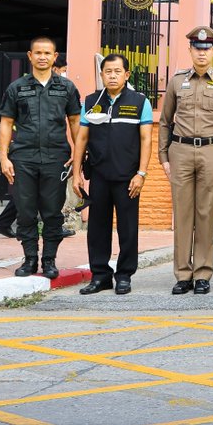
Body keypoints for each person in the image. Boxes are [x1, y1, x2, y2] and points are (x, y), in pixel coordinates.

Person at [158, 26, 213, 295]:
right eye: (197, 48)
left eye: (206, 48)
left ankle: (203, 273)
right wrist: (163, 157)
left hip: (211, 151)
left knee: (206, 213)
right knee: (182, 214)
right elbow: (165, 121)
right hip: (180, 151)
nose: (201, 53)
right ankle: (183, 274)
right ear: (190, 50)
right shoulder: (176, 81)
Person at [0, 37, 81, 279]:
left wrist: (77, 154)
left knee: (53, 212)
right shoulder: (16, 88)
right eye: (38, 53)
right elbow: (6, 122)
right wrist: (3, 156)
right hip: (24, 158)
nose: (42, 57)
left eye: (47, 53)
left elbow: (75, 121)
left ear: (55, 57)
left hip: (56, 158)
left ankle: (49, 259)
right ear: (30, 56)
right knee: (25, 212)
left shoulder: (66, 88)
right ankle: (30, 259)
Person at [70, 55, 151, 295]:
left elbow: (146, 139)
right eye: (108, 71)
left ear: (126, 74)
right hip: (99, 175)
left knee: (128, 228)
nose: (112, 76)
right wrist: (76, 174)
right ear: (101, 75)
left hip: (128, 177)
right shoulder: (91, 101)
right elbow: (82, 138)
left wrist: (141, 173)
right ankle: (100, 276)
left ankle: (124, 275)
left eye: (117, 71)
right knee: (97, 228)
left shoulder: (139, 101)